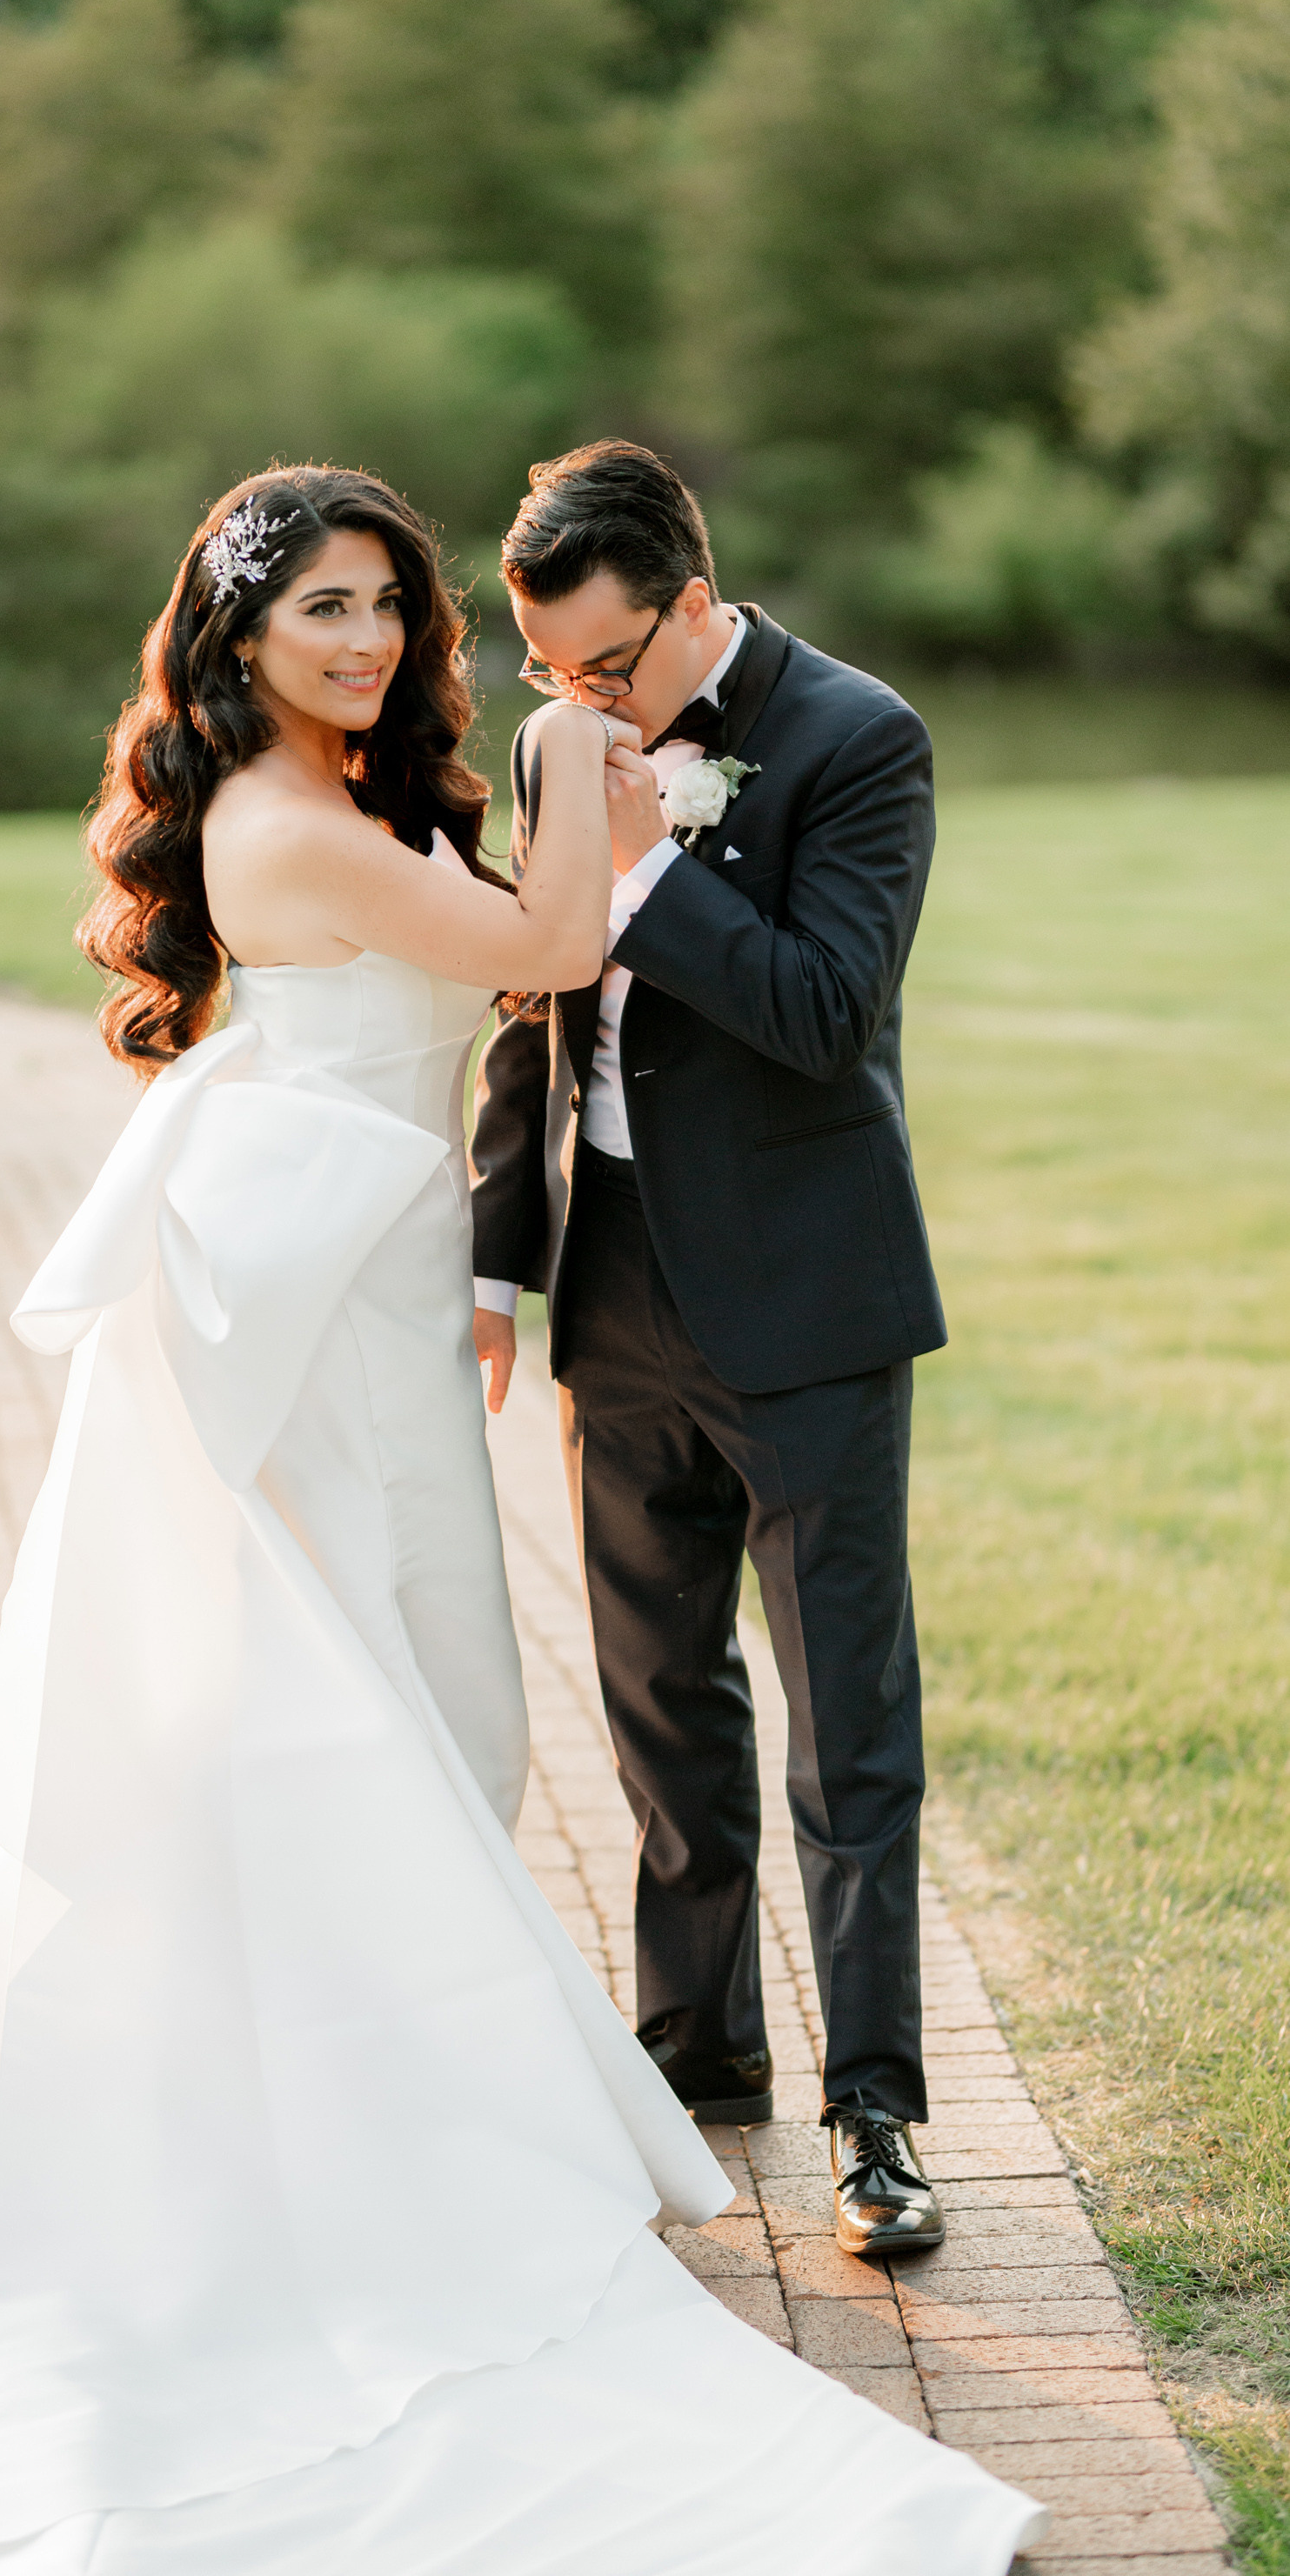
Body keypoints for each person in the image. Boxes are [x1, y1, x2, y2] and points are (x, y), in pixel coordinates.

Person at [0, 465, 1041, 2573]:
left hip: (463, 1277)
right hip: (343, 1294)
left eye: (381, 607)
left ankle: (743, 2105)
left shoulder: (790, 744)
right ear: (238, 638)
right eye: (320, 611)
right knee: (411, 1717)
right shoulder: (295, 816)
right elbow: (541, 964)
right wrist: (568, 789)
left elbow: (711, 1000)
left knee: (481, 1714)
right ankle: (423, 2127)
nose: (360, 642)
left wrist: (493, 1250)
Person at [471, 438, 950, 2261]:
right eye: (546, 674)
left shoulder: (854, 738)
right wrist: (500, 1263)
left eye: (606, 669)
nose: (574, 706)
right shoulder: (545, 746)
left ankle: (879, 2114)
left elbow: (828, 1016)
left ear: (691, 600)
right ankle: (697, 2054)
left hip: (806, 1308)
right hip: (612, 1299)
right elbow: (533, 1014)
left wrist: (656, 878)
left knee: (846, 1726)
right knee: (659, 1700)